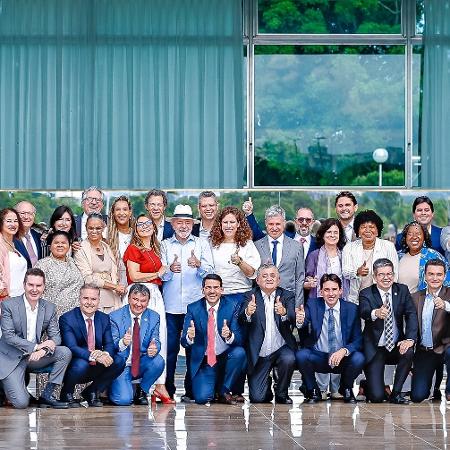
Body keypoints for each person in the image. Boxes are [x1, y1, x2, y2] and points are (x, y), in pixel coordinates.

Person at [160, 204, 214, 401]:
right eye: (179, 222)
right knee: (171, 349)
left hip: (195, 305)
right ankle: (169, 389)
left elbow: (210, 274)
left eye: (187, 222)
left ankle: (191, 390)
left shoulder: (201, 244)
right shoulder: (165, 245)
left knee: (194, 348)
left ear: (193, 224)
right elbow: (161, 276)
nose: (183, 226)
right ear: (173, 224)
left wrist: (199, 265)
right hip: (171, 305)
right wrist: (169, 269)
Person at [0, 268, 72, 409]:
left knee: (64, 352)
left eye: (38, 285)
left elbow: (56, 337)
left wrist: (44, 350)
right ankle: (4, 384)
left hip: (34, 357)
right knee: (21, 403)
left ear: (44, 287)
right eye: (30, 285)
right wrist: (36, 347)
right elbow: (8, 336)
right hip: (11, 358)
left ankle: (48, 395)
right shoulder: (9, 305)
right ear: (24, 285)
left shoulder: (49, 308)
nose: (34, 289)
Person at [123, 214, 172, 403]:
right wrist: (157, 273)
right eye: (140, 224)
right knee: (138, 337)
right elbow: (133, 276)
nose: (144, 226)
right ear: (135, 229)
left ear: (154, 226)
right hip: (139, 293)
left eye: (148, 223)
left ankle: (158, 384)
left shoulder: (155, 248)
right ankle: (137, 386)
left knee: (158, 336)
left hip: (155, 294)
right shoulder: (133, 249)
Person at [295, 274, 364, 404]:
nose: (330, 293)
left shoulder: (351, 309)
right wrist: (300, 320)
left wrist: (344, 350)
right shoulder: (313, 304)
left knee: (359, 358)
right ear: (321, 292)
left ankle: (347, 388)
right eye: (326, 290)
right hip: (319, 356)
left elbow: (358, 339)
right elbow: (303, 322)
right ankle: (312, 390)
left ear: (340, 291)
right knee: (301, 355)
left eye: (334, 289)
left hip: (342, 357)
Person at [359, 258, 418, 404]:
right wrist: (376, 313)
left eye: (389, 274)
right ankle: (367, 385)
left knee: (408, 351)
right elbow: (364, 311)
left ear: (394, 274)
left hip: (395, 344)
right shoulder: (366, 293)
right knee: (377, 397)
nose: (386, 278)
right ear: (374, 277)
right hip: (376, 348)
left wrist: (410, 339)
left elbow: (411, 314)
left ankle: (396, 393)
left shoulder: (402, 290)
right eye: (381, 274)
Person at [181, 274, 247, 404]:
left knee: (239, 353)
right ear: (203, 290)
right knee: (202, 398)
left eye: (216, 288)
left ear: (222, 290)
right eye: (208, 287)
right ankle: (214, 386)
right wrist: (189, 337)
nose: (212, 291)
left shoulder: (232, 305)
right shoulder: (193, 308)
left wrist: (229, 335)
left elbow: (239, 338)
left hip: (224, 358)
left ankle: (223, 390)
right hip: (205, 361)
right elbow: (184, 342)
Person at [59, 284, 126, 407]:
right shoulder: (67, 319)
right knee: (81, 364)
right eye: (86, 298)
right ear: (79, 299)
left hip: (95, 364)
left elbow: (109, 343)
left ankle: (92, 391)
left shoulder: (104, 318)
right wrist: (93, 355)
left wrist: (106, 354)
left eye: (93, 299)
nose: (89, 302)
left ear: (99, 300)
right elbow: (71, 347)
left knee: (119, 361)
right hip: (74, 366)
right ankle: (66, 393)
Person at [304, 218, 349, 399]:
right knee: (322, 341)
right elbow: (307, 279)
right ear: (322, 235)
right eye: (328, 232)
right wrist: (310, 283)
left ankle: (337, 388)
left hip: (340, 303)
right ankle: (321, 387)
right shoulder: (314, 255)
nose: (332, 235)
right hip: (319, 303)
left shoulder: (344, 254)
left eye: (335, 232)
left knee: (338, 340)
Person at [238, 263, 296, 404]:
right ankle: (267, 383)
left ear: (278, 279)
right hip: (259, 353)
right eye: (264, 276)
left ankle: (282, 392)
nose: (269, 279)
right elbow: (241, 319)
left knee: (289, 359)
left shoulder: (287, 295)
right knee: (258, 398)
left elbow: (293, 318)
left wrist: (284, 313)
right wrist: (248, 313)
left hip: (280, 349)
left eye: (272, 275)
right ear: (257, 280)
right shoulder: (249, 296)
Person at [109, 283, 165, 406]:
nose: (138, 304)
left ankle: (142, 390)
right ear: (129, 298)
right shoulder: (114, 317)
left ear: (148, 302)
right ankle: (114, 386)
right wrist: (123, 342)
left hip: (140, 363)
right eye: (135, 299)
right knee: (123, 400)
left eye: (143, 301)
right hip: (122, 365)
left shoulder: (154, 317)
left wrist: (154, 348)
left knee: (158, 361)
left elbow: (156, 339)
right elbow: (110, 345)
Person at [410, 259, 450, 403]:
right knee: (417, 396)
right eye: (431, 274)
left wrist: (445, 305)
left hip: (446, 347)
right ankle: (433, 386)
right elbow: (410, 326)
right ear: (425, 276)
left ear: (444, 276)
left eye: (439, 274)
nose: (435, 278)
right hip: (425, 350)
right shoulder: (415, 297)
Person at [342, 210, 398, 304]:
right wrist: (357, 271)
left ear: (377, 230)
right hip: (356, 300)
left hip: (382, 300)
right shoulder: (349, 247)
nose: (367, 230)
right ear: (358, 231)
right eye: (363, 227)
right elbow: (345, 271)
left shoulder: (388, 246)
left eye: (371, 227)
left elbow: (395, 274)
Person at [74, 213, 126, 313]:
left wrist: (117, 287)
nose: (94, 231)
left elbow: (114, 273)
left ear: (103, 228)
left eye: (98, 228)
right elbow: (88, 278)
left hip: (113, 298)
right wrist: (114, 287)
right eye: (91, 228)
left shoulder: (107, 247)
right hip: (93, 299)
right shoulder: (80, 249)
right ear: (86, 228)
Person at [254, 205, 304, 307]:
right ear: (266, 224)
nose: (274, 228)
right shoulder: (256, 246)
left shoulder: (297, 246)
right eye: (271, 224)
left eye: (278, 224)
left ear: (284, 223)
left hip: (288, 300)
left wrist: (298, 305)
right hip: (262, 301)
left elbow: (299, 278)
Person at [210, 206, 261, 303]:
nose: (228, 226)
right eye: (225, 222)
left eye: (232, 222)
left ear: (238, 224)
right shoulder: (212, 244)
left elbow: (252, 273)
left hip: (242, 295)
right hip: (218, 296)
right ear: (220, 224)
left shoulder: (247, 244)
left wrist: (240, 262)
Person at [35, 231, 84, 317]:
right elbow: (35, 290)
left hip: (75, 316)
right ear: (50, 247)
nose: (60, 245)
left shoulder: (73, 262)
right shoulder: (42, 264)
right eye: (56, 243)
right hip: (52, 317)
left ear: (69, 246)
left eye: (64, 243)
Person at [398, 221, 449, 294]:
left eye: (418, 234)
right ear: (405, 238)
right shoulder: (398, 257)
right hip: (400, 304)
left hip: (425, 303)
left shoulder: (434, 256)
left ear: (424, 237)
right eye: (410, 234)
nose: (414, 237)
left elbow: (446, 283)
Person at [106, 195, 134, 286]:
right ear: (113, 213)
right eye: (118, 210)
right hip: (113, 284)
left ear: (130, 212)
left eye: (125, 209)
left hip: (135, 285)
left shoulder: (137, 234)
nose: (121, 213)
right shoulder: (106, 234)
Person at [0, 208, 27, 300]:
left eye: (16, 221)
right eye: (9, 221)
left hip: (20, 299)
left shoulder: (15, 243)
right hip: (6, 300)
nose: (13, 224)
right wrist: (2, 292)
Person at [14, 201, 44, 265]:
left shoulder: (39, 237)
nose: (26, 217)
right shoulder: (10, 237)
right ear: (15, 215)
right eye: (23, 213)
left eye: (30, 213)